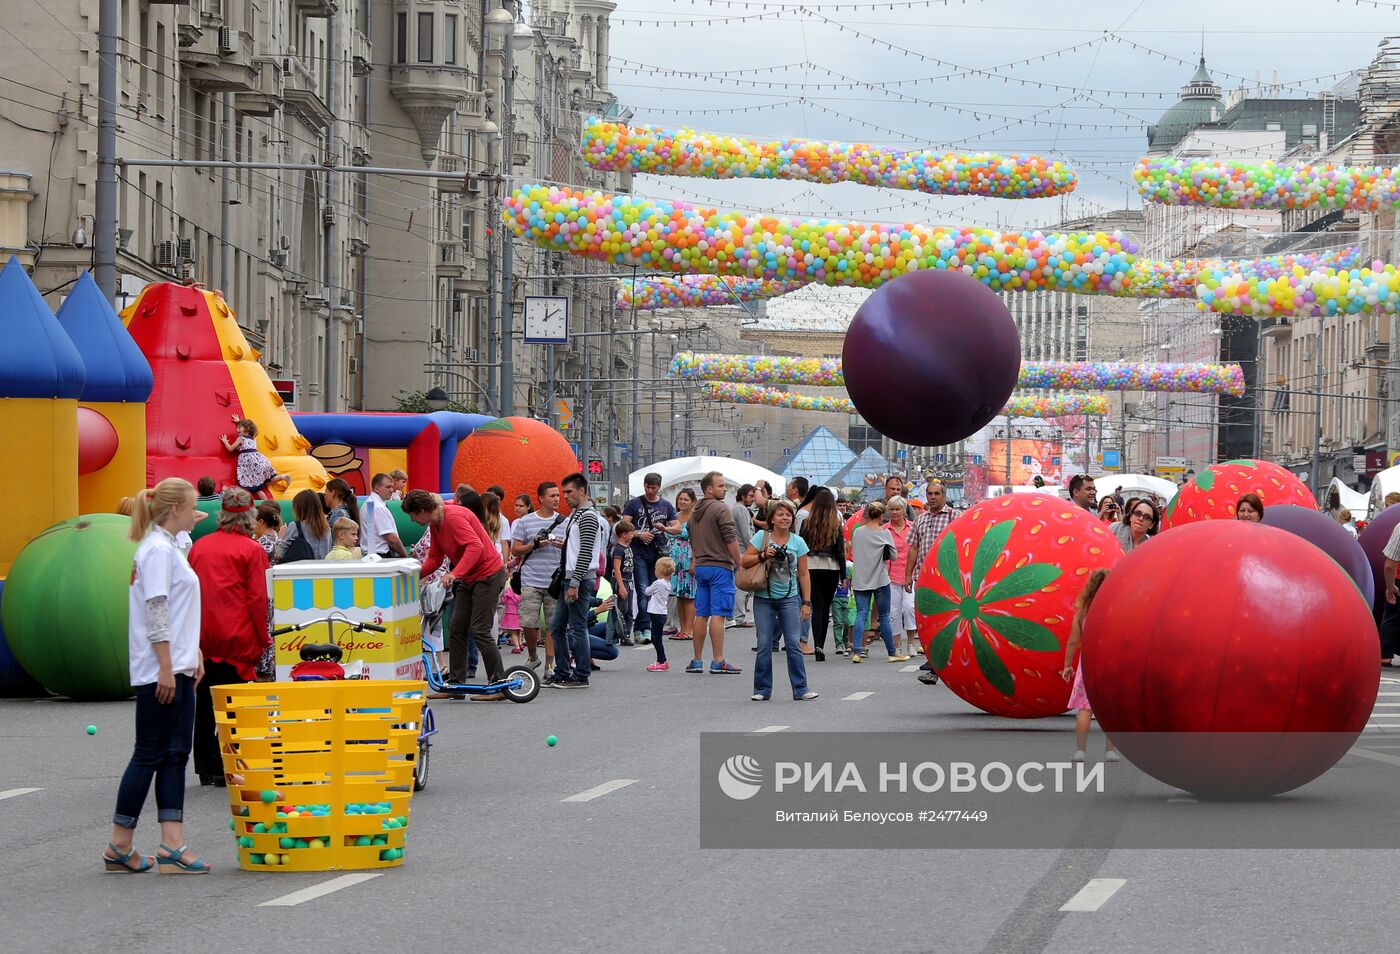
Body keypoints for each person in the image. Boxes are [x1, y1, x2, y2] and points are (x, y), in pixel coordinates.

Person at [104, 478, 209, 874]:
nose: (201, 513)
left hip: (177, 663)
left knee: (175, 754)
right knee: (149, 753)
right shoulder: (157, 552)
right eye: (195, 507)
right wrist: (166, 666)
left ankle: (171, 842)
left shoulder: (168, 545)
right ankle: (119, 841)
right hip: (160, 669)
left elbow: (178, 603)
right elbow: (157, 610)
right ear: (176, 509)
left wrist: (191, 651)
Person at [187, 487, 270, 787]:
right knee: (234, 704)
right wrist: (263, 638)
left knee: (205, 701)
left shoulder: (200, 547)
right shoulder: (252, 550)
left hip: (202, 635)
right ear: (250, 517)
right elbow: (258, 599)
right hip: (237, 635)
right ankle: (229, 764)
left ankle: (205, 766)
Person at [404, 489, 508, 699]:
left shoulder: (453, 517)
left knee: (480, 629)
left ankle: (499, 685)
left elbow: (475, 546)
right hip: (469, 577)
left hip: (488, 575)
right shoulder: (436, 524)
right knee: (457, 628)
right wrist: (412, 577)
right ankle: (456, 685)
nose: (412, 520)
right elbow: (434, 557)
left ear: (423, 510)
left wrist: (455, 573)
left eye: (413, 515)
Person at [740, 498, 818, 701]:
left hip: (790, 599)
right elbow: (745, 560)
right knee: (764, 644)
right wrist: (764, 555)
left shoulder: (797, 542)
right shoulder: (761, 537)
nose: (785, 518)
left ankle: (801, 689)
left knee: (793, 643)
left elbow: (803, 574)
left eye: (788, 515)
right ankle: (762, 690)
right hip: (764, 598)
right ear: (772, 518)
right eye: (780, 514)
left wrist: (806, 602)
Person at [547, 473, 604, 688]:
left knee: (577, 627)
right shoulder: (577, 515)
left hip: (578, 579)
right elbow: (580, 548)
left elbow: (586, 553)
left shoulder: (587, 516)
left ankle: (581, 675)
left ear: (582, 491)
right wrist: (566, 546)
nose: (565, 497)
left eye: (569, 492)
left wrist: (575, 582)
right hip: (571, 577)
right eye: (563, 493)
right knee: (557, 626)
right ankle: (562, 671)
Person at [686, 472, 743, 675]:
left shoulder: (695, 512)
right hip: (720, 567)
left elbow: (690, 538)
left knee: (701, 614)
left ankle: (697, 660)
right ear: (709, 489)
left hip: (701, 566)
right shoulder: (720, 508)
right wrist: (740, 562)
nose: (725, 488)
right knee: (718, 615)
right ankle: (718, 660)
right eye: (721, 486)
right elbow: (730, 537)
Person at [1061, 569, 1118, 763]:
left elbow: (1072, 641)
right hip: (1110, 663)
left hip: (1088, 663)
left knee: (1085, 709)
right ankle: (1110, 751)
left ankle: (1080, 751)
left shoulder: (1082, 613)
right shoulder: (1114, 610)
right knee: (1111, 710)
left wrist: (1067, 666)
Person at [511, 481, 566, 671]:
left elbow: (573, 549)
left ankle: (549, 666)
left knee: (553, 624)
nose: (557, 499)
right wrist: (534, 545)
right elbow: (515, 549)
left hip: (554, 580)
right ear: (541, 498)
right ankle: (533, 655)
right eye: (552, 496)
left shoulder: (564, 521)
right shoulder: (526, 521)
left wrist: (563, 545)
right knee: (528, 621)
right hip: (530, 579)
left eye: (558, 495)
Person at [622, 473, 678, 645]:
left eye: (653, 488)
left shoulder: (666, 505)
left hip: (658, 553)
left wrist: (665, 528)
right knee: (643, 589)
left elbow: (677, 528)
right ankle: (644, 628)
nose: (650, 491)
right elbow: (624, 526)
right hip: (638, 552)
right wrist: (639, 534)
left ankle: (644, 627)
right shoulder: (634, 503)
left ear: (659, 487)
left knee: (656, 589)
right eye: (647, 487)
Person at [849, 501, 906, 663]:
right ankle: (892, 652)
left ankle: (857, 651)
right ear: (881, 516)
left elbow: (854, 551)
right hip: (880, 580)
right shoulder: (885, 533)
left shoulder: (858, 532)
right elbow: (893, 556)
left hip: (861, 579)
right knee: (884, 616)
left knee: (861, 614)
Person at [800, 487, 845, 662]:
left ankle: (817, 643)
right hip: (831, 568)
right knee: (825, 608)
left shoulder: (807, 523)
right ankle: (821, 644)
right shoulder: (835, 524)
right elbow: (840, 551)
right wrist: (843, 575)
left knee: (815, 606)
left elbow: (802, 548)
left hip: (811, 568)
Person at [884, 496, 919, 658]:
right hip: (890, 576)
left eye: (897, 509)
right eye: (891, 509)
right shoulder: (884, 530)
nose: (894, 512)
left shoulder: (913, 527)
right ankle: (897, 646)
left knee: (910, 608)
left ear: (904, 511)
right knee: (893, 612)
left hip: (911, 575)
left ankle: (911, 643)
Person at [219, 416, 289, 495]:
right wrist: (239, 422)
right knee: (257, 487)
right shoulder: (253, 438)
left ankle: (281, 478)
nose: (237, 429)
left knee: (252, 485)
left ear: (247, 428)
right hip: (259, 461)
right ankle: (282, 477)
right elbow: (245, 431)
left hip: (249, 464)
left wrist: (225, 442)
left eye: (239, 427)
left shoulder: (241, 438)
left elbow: (230, 449)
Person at [665, 488, 698, 644]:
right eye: (680, 499)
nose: (682, 502)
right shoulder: (675, 517)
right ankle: (682, 628)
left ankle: (689, 630)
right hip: (675, 560)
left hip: (688, 557)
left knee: (689, 595)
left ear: (693, 502)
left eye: (686, 499)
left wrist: (694, 561)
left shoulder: (695, 518)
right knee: (679, 594)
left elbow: (698, 541)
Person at [275, 489, 332, 562]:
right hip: (322, 569)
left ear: (299, 508)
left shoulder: (296, 526)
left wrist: (280, 539)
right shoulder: (327, 528)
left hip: (302, 570)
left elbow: (279, 554)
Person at [728, 484, 757, 628]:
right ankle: (739, 617)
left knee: (734, 583)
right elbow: (746, 533)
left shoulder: (734, 508)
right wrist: (754, 549)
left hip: (735, 549)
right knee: (741, 584)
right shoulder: (741, 509)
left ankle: (732, 615)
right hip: (742, 550)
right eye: (751, 495)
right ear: (743, 495)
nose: (752, 499)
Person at [361, 473, 407, 558]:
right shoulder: (378, 507)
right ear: (377, 489)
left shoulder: (371, 503)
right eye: (388, 487)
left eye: (392, 487)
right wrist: (405, 555)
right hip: (380, 555)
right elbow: (391, 539)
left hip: (372, 554)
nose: (391, 490)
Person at [645, 557, 676, 672]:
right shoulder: (667, 584)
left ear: (660, 571)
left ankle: (661, 661)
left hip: (656, 612)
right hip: (661, 612)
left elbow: (647, 591)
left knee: (656, 638)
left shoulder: (658, 583)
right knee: (657, 638)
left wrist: (647, 588)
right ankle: (661, 660)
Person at [609, 518, 637, 647]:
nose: (633, 535)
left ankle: (626, 634)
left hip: (629, 580)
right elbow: (616, 568)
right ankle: (616, 634)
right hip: (622, 581)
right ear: (623, 534)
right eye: (631, 533)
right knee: (621, 609)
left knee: (629, 610)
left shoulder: (628, 547)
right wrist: (621, 586)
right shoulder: (619, 549)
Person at [831, 566, 854, 656]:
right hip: (836, 598)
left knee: (848, 622)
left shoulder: (850, 566)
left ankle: (846, 640)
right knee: (837, 622)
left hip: (848, 598)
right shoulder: (834, 565)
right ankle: (839, 644)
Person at [499, 585, 523, 654]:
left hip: (511, 614)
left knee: (513, 633)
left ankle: (517, 648)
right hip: (519, 614)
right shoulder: (521, 590)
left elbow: (503, 601)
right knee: (519, 630)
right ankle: (520, 644)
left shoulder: (509, 590)